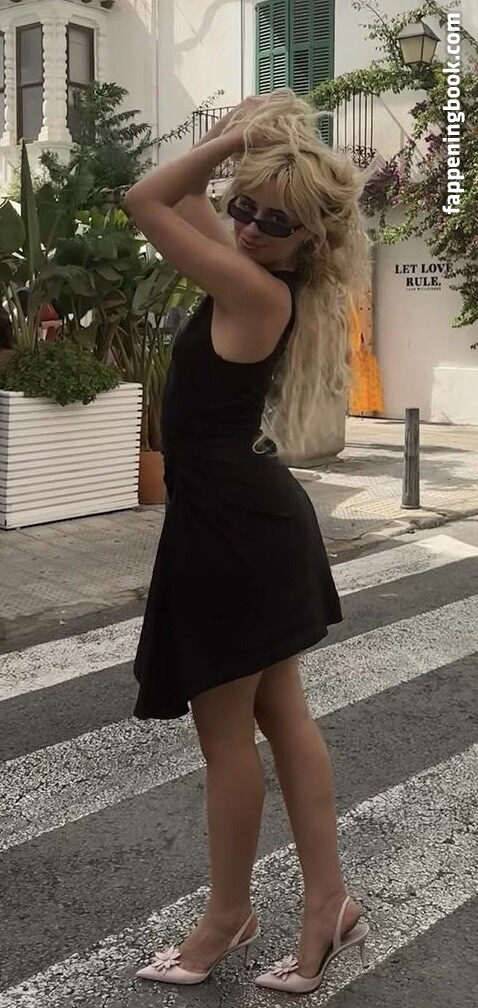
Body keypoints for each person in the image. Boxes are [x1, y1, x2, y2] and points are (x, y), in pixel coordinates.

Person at [124, 90, 370, 995]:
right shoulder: (250, 271)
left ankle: (227, 917)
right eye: (246, 208)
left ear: (310, 242)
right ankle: (328, 902)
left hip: (229, 532)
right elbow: (185, 200)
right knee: (280, 717)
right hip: (250, 521)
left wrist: (236, 140)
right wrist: (242, 152)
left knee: (226, 739)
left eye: (277, 221)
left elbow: (145, 199)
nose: (251, 227)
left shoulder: (252, 286)